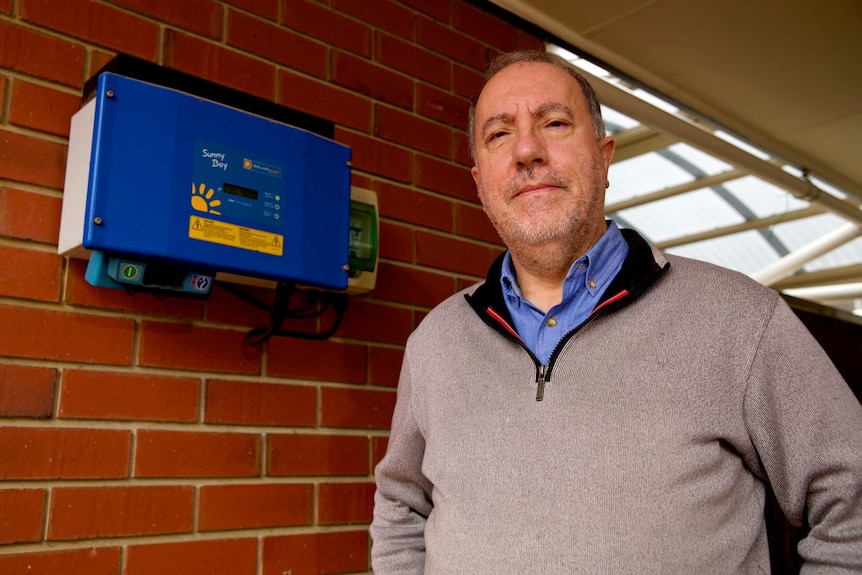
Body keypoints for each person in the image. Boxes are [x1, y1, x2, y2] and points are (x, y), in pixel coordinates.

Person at [370, 49, 862, 573]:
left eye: (554, 123)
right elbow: (401, 506)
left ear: (604, 158)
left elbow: (852, 506)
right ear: (479, 182)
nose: (527, 150)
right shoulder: (435, 342)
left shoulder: (740, 319)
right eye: (499, 135)